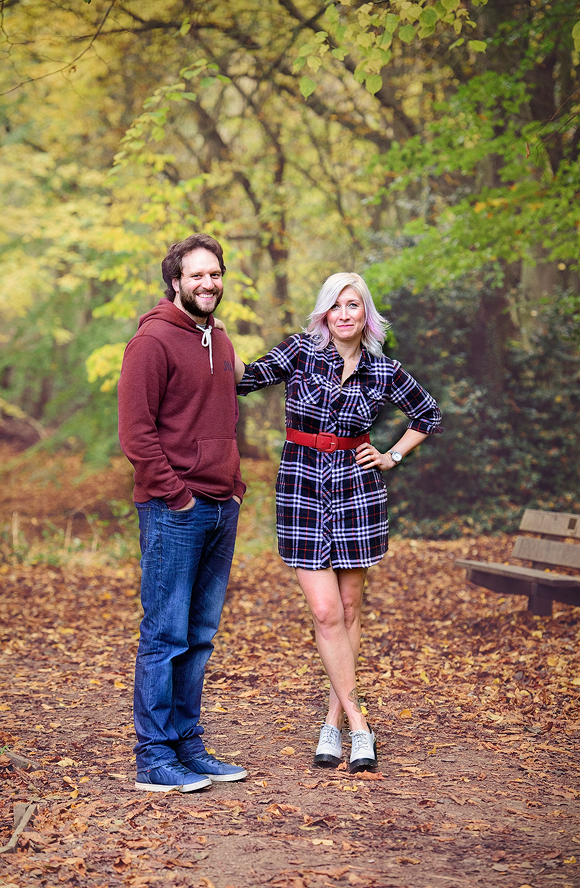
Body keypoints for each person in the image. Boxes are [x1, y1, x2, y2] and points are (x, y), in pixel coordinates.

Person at [229, 272, 443, 773]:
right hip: (302, 488)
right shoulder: (301, 351)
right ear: (324, 312)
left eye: (353, 305)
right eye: (336, 305)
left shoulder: (382, 370)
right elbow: (245, 379)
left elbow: (427, 415)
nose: (344, 314)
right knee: (325, 612)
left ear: (366, 313)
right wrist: (214, 331)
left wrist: (391, 456)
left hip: (357, 492)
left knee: (348, 611)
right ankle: (360, 723)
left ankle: (332, 722)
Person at [118, 233, 247, 793]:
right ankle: (153, 757)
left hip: (221, 506)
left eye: (214, 273)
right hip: (175, 509)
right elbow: (136, 435)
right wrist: (178, 496)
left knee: (199, 635)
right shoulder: (151, 342)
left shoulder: (219, 337)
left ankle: (187, 745)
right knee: (165, 633)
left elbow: (224, 419)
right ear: (176, 281)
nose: (208, 283)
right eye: (197, 274)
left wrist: (234, 487)